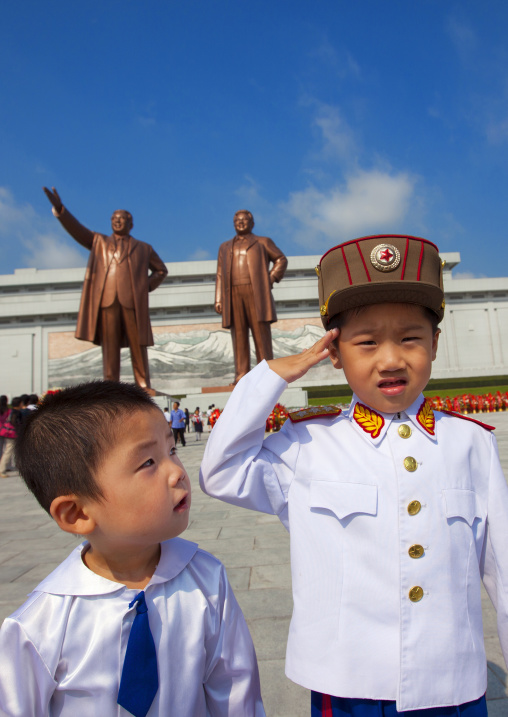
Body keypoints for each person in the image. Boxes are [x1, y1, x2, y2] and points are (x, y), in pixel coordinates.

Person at [200, 234, 508, 716]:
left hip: (452, 683)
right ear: (335, 352)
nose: (390, 359)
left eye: (411, 338)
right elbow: (221, 471)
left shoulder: (471, 444)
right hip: (347, 685)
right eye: (366, 342)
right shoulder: (308, 444)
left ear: (435, 343)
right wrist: (271, 376)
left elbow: (503, 569)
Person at [0, 381, 265, 716]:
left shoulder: (207, 580)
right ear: (77, 513)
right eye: (148, 463)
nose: (176, 473)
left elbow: (235, 692)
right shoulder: (38, 628)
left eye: (171, 451)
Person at [43, 187, 168, 393]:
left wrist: (144, 287)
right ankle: (111, 385)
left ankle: (143, 384)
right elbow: (78, 230)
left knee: (138, 346)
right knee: (109, 347)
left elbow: (161, 270)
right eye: (114, 218)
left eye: (122, 219)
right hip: (107, 300)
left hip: (132, 302)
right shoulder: (99, 242)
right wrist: (60, 209)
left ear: (131, 223)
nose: (118, 221)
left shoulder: (144, 248)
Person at [215, 210, 287, 384]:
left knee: (260, 334)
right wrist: (218, 298)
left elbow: (281, 259)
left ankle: (267, 373)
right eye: (237, 220)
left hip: (256, 293)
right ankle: (241, 374)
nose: (240, 223)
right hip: (233, 294)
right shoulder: (225, 247)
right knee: (238, 336)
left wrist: (270, 279)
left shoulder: (262, 242)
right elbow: (219, 274)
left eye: (244, 220)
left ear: (252, 223)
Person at [0, 397, 23, 477]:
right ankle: (2, 470)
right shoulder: (16, 412)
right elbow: (14, 422)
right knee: (8, 451)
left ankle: (4, 467)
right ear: (19, 404)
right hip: (12, 434)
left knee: (6, 450)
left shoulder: (11, 411)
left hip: (6, 432)